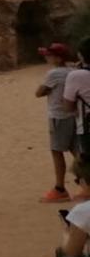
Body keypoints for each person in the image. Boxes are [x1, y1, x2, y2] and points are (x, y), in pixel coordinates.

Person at [38, 43, 78, 202]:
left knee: (57, 151)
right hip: (74, 116)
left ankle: (60, 188)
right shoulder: (73, 71)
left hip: (58, 116)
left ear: (58, 58)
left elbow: (39, 92)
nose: (47, 57)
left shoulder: (53, 74)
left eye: (49, 55)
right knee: (77, 151)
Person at [62, 39, 90, 200]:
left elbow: (67, 106)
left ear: (81, 55)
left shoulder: (77, 75)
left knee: (86, 160)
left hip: (87, 126)